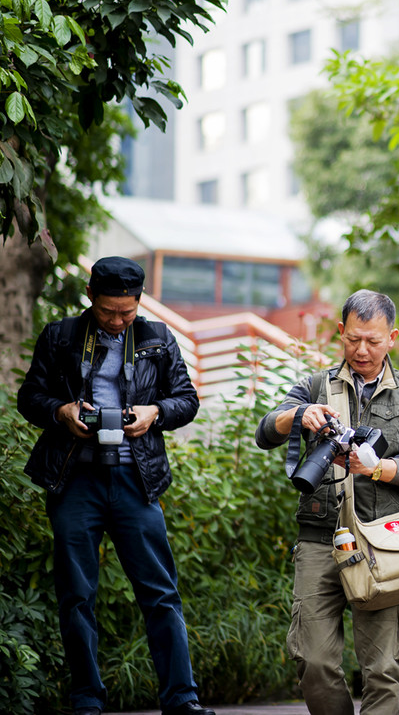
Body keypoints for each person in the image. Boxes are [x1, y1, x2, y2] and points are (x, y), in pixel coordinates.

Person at [17, 256, 213, 715]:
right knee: (77, 594)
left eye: (128, 311)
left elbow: (187, 400)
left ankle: (181, 700)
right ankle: (86, 700)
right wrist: (62, 411)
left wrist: (155, 412)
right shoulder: (61, 336)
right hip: (74, 478)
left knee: (160, 592)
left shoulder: (157, 338)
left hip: (136, 479)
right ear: (91, 297)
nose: (119, 321)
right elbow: (30, 397)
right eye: (109, 312)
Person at [254, 290, 399, 715]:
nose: (362, 350)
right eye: (353, 339)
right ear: (340, 333)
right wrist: (298, 415)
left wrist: (374, 466)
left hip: (384, 541)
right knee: (312, 660)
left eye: (372, 340)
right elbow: (265, 432)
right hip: (320, 538)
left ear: (392, 337)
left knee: (383, 669)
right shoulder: (315, 385)